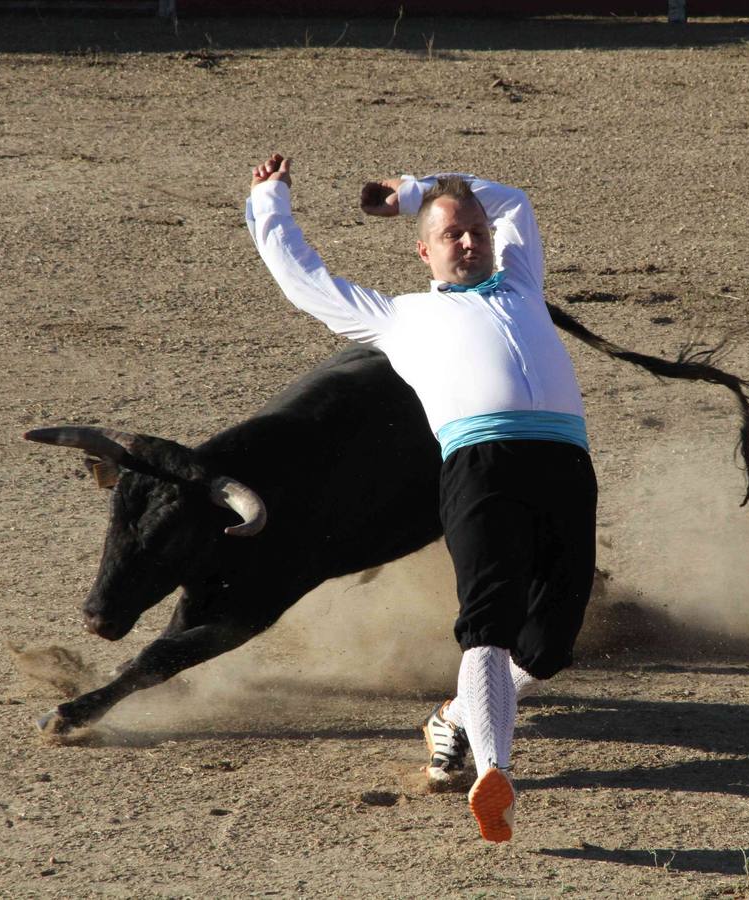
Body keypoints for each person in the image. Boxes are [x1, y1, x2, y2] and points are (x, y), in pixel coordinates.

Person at [246, 154, 597, 843]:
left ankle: (458, 719)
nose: (468, 241)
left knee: (551, 642)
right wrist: (269, 204)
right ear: (425, 252)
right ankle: (493, 774)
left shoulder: (522, 284)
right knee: (489, 623)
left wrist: (416, 192)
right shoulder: (396, 318)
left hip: (564, 462)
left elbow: (514, 199)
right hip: (480, 464)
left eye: (474, 230)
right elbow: (302, 279)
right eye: (451, 234)